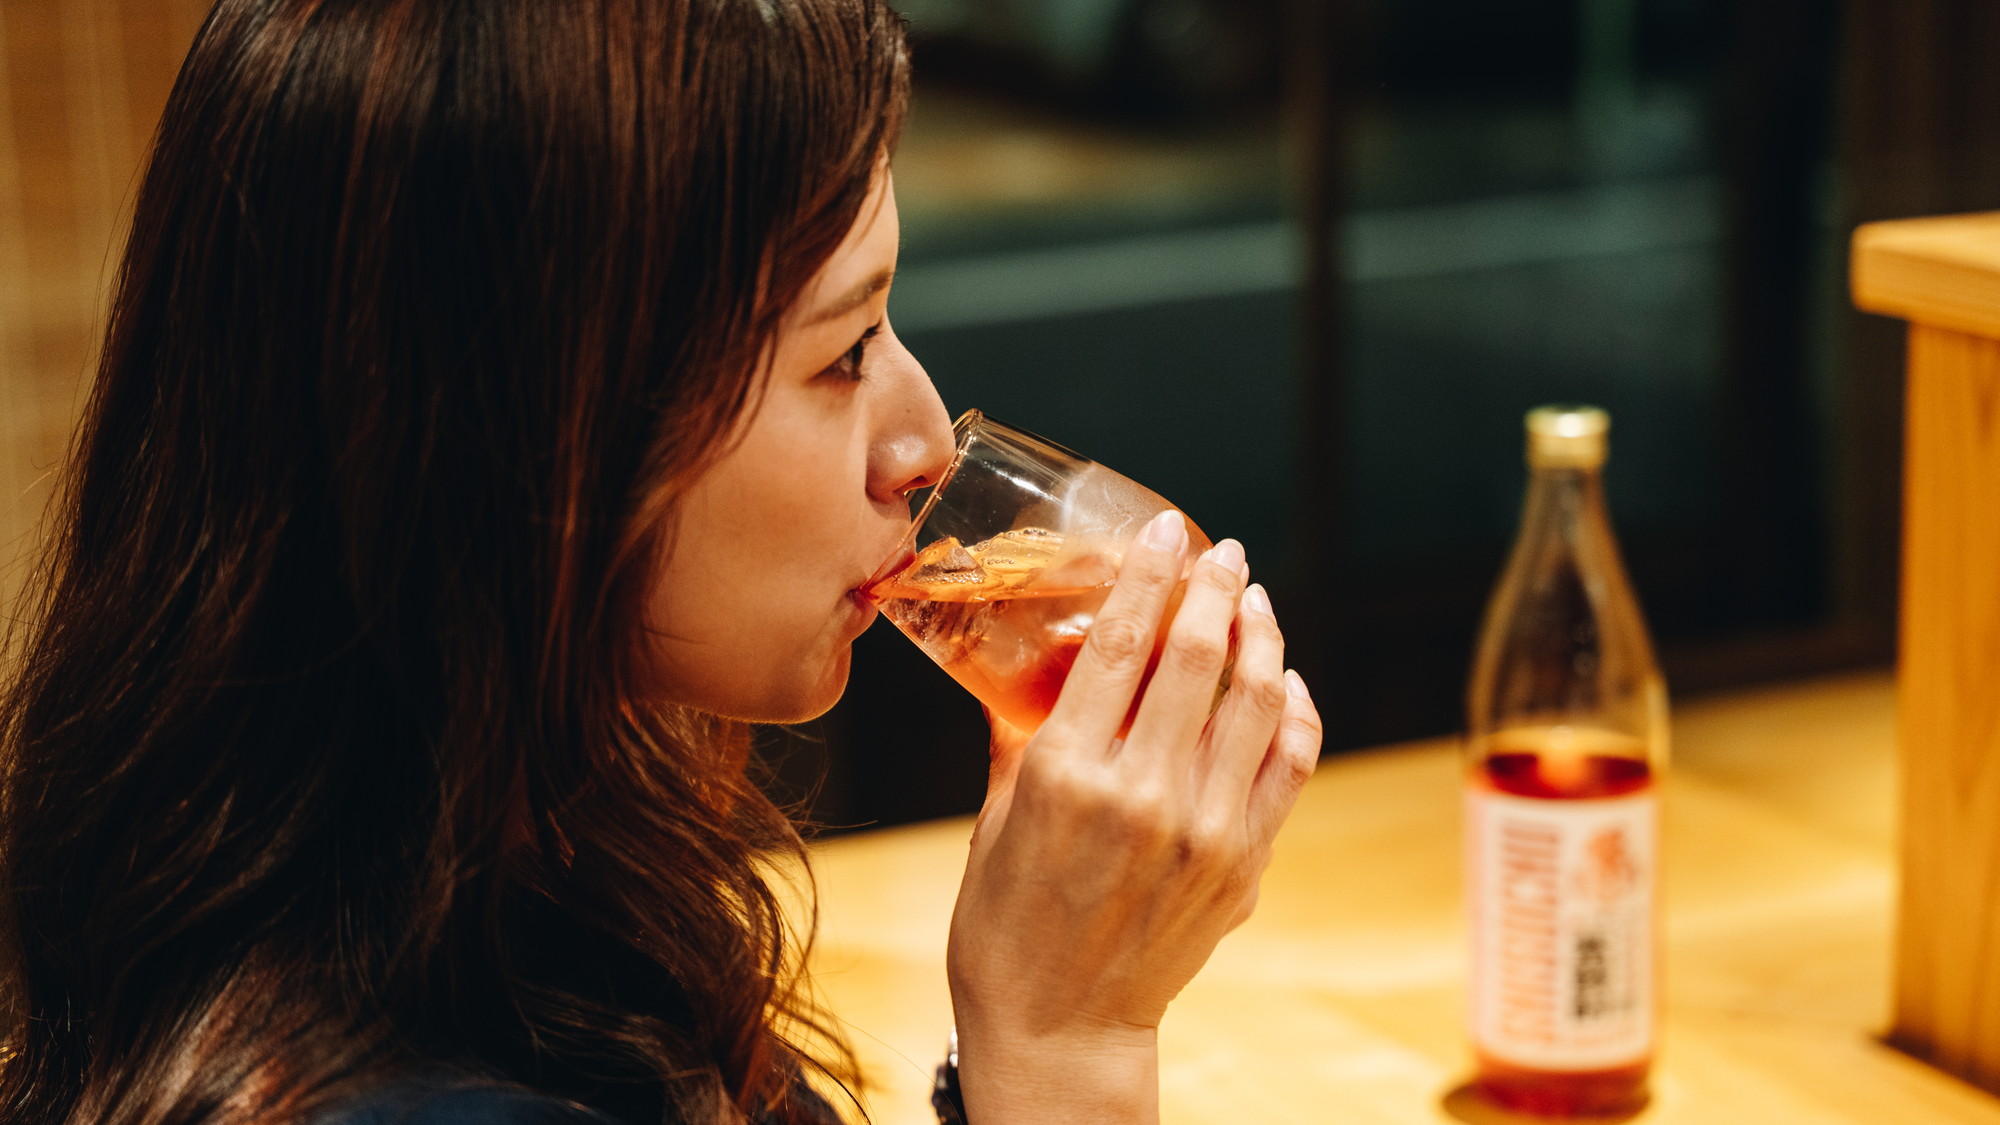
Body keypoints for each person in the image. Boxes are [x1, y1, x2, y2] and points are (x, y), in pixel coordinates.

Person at [0, 0, 1323, 1122]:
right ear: (535, 434)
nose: (924, 437)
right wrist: (1062, 1035)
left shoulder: (507, 875)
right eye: (840, 350)